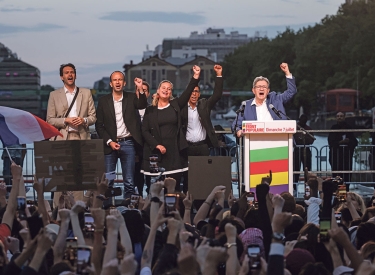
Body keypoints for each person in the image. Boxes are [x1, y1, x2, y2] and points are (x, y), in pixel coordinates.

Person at [141, 65, 201, 190]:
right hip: (157, 154)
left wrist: (195, 76)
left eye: (169, 89)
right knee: (156, 189)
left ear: (171, 93)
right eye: (163, 88)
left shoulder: (175, 105)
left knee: (173, 188)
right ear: (158, 91)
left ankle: (174, 209)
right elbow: (144, 130)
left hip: (174, 153)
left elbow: (188, 91)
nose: (166, 90)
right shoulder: (150, 110)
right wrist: (156, 145)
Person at [46, 63, 97, 206]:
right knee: (60, 179)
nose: (70, 74)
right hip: (62, 139)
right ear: (61, 77)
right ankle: (57, 212)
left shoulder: (86, 93)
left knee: (78, 179)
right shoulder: (54, 95)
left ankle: (78, 211)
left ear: (75, 75)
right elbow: (49, 120)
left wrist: (84, 120)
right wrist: (66, 120)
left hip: (81, 138)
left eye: (72, 72)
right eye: (67, 72)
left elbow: (93, 117)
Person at [95, 72, 147, 199]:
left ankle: (129, 210)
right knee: (109, 179)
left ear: (124, 83)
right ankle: (107, 210)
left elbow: (142, 105)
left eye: (120, 80)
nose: (117, 82)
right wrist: (109, 142)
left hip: (128, 144)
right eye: (115, 80)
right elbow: (99, 125)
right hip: (110, 146)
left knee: (129, 180)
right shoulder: (103, 101)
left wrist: (140, 88)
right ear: (111, 83)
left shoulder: (131, 97)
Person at [180, 64, 223, 192]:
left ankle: (202, 202)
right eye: (192, 91)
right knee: (187, 177)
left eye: (196, 92)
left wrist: (219, 74)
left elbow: (217, 95)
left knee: (203, 176)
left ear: (199, 94)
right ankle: (188, 201)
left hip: (202, 146)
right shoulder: (181, 107)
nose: (194, 94)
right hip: (187, 147)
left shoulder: (204, 104)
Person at [233, 63, 297, 137]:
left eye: (264, 87)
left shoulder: (276, 100)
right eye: (258, 87)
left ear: (268, 91)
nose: (261, 89)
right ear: (253, 90)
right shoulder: (245, 105)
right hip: (254, 144)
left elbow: (292, 91)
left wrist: (287, 72)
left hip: (279, 142)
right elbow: (236, 125)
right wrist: (238, 131)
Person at [328, 112, 358, 190]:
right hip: (335, 157)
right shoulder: (333, 128)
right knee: (336, 175)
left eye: (341, 116)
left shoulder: (348, 127)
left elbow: (355, 142)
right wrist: (340, 143)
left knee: (347, 175)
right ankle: (335, 190)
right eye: (338, 116)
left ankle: (346, 190)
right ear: (336, 118)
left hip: (346, 157)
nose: (339, 118)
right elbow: (331, 142)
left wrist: (348, 142)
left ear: (344, 117)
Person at [134, 81, 152, 196]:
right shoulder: (131, 109)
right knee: (137, 174)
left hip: (149, 147)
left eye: (144, 90)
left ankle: (151, 196)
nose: (142, 92)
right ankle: (139, 195)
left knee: (150, 174)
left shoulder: (152, 109)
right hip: (136, 147)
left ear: (148, 94)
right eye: (140, 90)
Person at [293, 114, 315, 183]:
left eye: (304, 121)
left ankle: (307, 185)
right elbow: (292, 139)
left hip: (306, 149)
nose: (303, 122)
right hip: (297, 150)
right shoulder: (295, 128)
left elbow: (312, 140)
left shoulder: (308, 129)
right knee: (296, 169)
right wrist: (299, 140)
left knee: (307, 169)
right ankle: (294, 185)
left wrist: (304, 139)